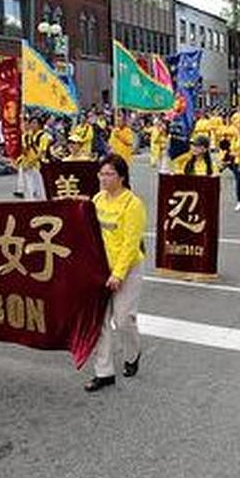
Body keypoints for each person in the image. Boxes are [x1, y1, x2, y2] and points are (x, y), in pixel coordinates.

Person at [85, 154, 146, 393]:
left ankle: (133, 354)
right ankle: (104, 371)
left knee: (123, 319)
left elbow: (131, 244)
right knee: (99, 321)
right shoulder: (97, 200)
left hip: (128, 269)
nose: (104, 178)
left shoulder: (133, 204)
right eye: (102, 173)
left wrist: (119, 274)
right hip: (101, 269)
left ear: (122, 177)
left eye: (110, 174)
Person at [18, 117, 51, 200]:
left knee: (40, 188)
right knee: (29, 188)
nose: (32, 125)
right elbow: (25, 151)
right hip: (27, 165)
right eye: (31, 123)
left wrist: (31, 163)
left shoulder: (44, 136)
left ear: (40, 125)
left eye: (35, 123)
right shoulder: (27, 136)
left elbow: (41, 152)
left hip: (39, 165)